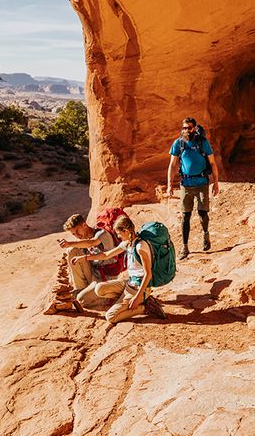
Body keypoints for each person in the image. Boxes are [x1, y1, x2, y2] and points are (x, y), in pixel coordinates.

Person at [73, 215, 167, 323]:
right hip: (129, 283)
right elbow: (106, 255)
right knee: (99, 288)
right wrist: (84, 257)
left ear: (126, 231)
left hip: (139, 287)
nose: (118, 236)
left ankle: (145, 308)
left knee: (111, 317)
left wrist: (138, 297)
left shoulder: (140, 247)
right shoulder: (127, 243)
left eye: (119, 233)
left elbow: (148, 274)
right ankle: (128, 301)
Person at [166, 117, 220, 260]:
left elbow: (212, 162)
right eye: (184, 128)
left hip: (202, 182)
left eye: (189, 128)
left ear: (194, 128)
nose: (186, 130)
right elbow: (172, 165)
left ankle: (205, 234)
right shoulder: (179, 144)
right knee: (185, 216)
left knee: (202, 213)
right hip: (186, 184)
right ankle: (185, 246)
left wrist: (216, 182)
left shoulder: (202, 143)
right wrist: (169, 185)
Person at [58, 213, 119, 298]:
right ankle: (81, 289)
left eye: (77, 231)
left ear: (84, 225)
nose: (77, 235)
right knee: (72, 251)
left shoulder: (102, 233)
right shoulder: (84, 239)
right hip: (93, 273)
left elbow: (92, 243)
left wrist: (69, 243)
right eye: (74, 234)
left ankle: (108, 297)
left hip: (106, 277)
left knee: (81, 299)